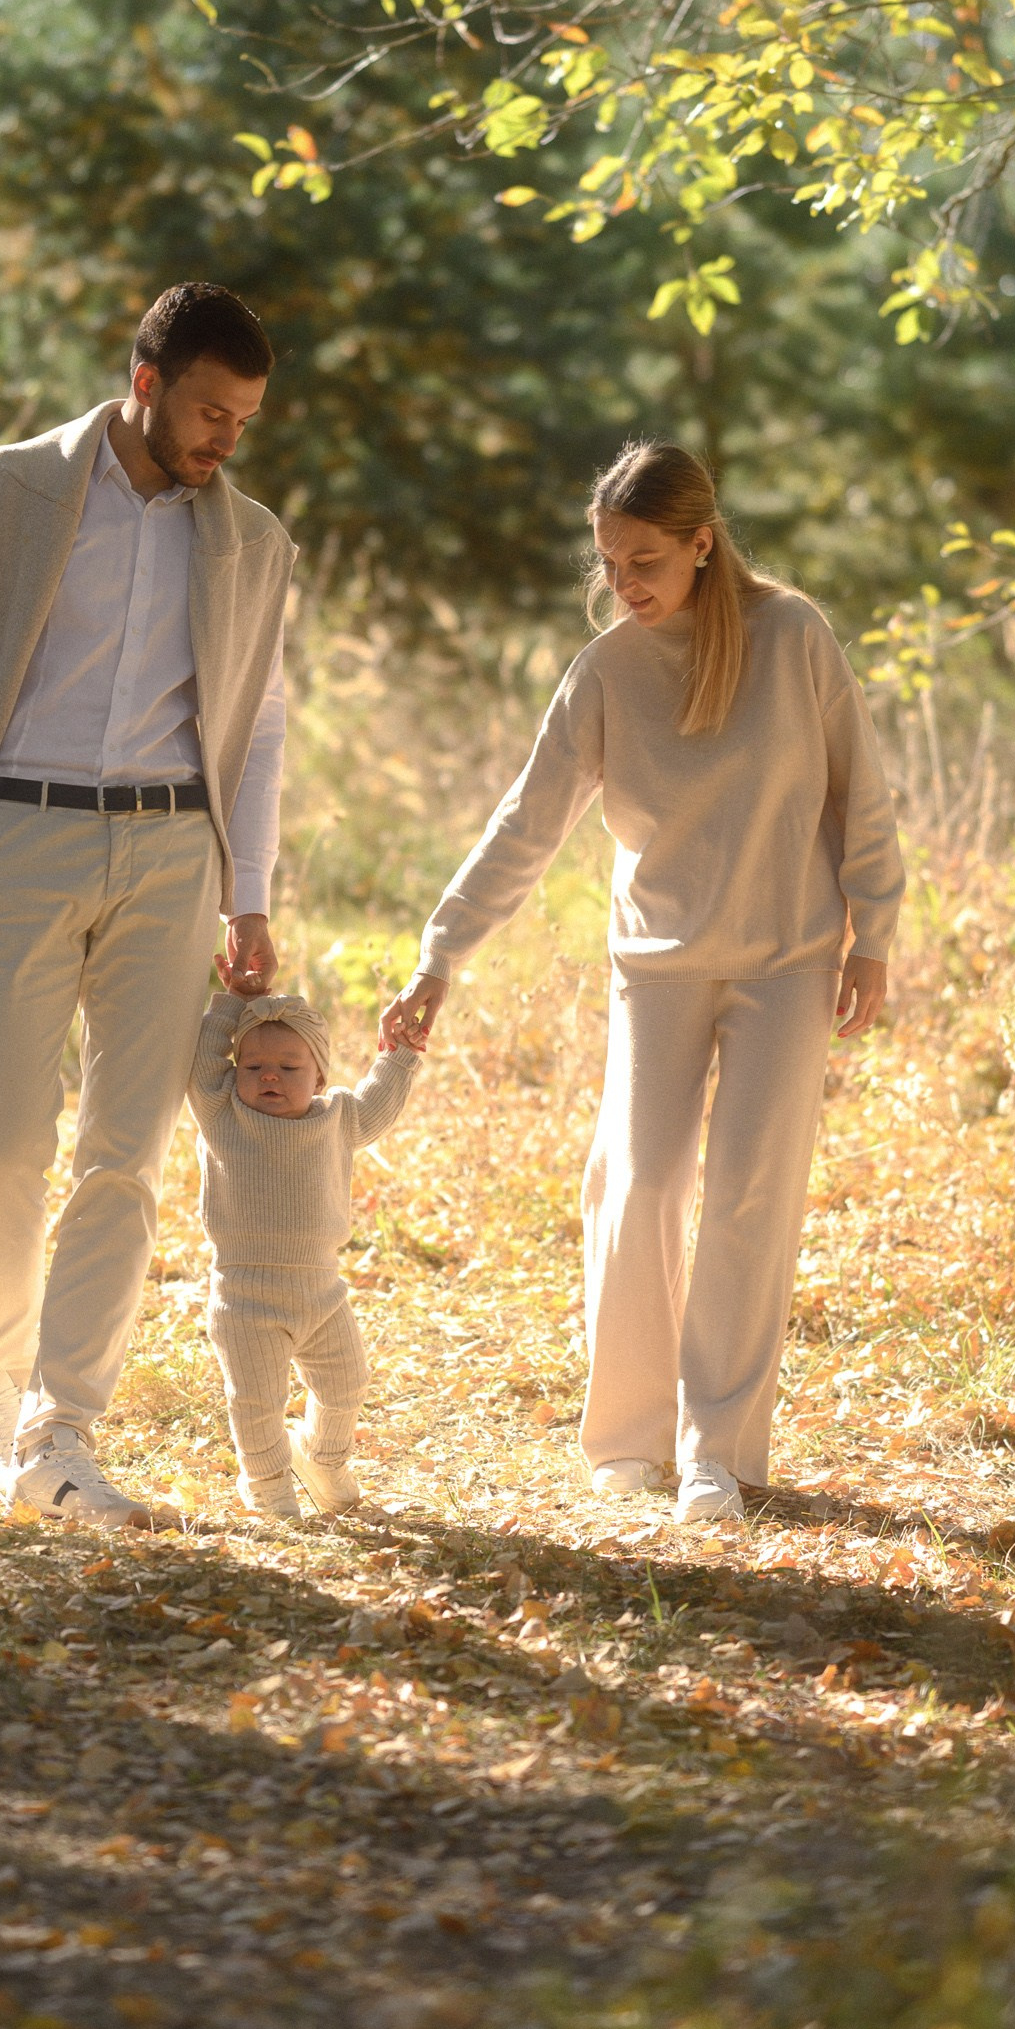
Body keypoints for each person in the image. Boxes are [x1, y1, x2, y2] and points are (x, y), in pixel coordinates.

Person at [382, 440, 903, 1529]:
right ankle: (627, 1440)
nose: (624, 585)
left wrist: (873, 934)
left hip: (786, 963)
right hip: (656, 970)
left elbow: (861, 790)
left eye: (647, 562)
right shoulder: (607, 671)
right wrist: (441, 956)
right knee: (642, 1184)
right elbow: (524, 827)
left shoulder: (793, 637)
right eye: (611, 563)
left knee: (750, 1199)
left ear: (702, 547)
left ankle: (718, 1450)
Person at [0, 283, 292, 1530]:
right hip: (17, 835)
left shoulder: (250, 541)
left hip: (174, 854)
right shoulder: (6, 491)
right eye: (211, 411)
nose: (227, 438)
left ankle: (67, 1430)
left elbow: (261, 725)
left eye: (246, 419)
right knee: (5, 1142)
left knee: (126, 1154)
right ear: (146, 381)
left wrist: (250, 894)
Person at [186, 989, 422, 1519]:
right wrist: (232, 1003)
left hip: (322, 1291)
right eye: (254, 1065)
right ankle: (267, 1480)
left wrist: (399, 1053)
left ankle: (323, 1457)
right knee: (256, 1400)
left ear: (318, 1077)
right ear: (234, 1071)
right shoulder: (221, 1111)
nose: (269, 1075)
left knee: (347, 1381)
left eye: (288, 1066)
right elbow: (203, 1063)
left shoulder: (337, 1117)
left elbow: (380, 1100)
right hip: (245, 1298)